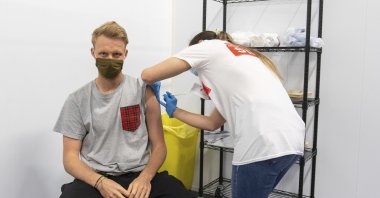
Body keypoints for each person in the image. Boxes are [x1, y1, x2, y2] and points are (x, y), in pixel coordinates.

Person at [141, 31, 305, 198]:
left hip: (261, 142)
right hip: (292, 141)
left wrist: (152, 82)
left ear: (201, 43)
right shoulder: (243, 58)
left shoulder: (206, 46)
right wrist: (175, 112)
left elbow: (148, 75)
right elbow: (212, 123)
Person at [53, 21, 194, 198]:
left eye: (116, 54)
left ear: (125, 54)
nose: (110, 59)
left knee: (178, 193)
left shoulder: (143, 91)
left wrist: (145, 178)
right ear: (93, 53)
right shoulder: (77, 100)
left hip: (139, 174)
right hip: (97, 179)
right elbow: (70, 158)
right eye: (103, 53)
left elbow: (159, 146)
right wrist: (100, 182)